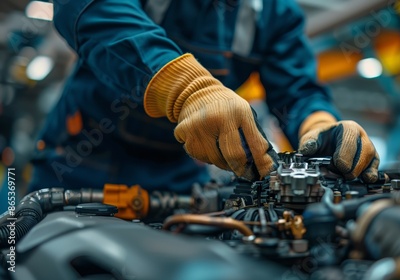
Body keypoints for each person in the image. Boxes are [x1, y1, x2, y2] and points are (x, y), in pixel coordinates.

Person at [28, 0, 380, 194]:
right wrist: (188, 88)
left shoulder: (273, 12)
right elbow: (88, 7)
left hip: (179, 179)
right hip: (76, 167)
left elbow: (296, 90)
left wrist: (318, 124)